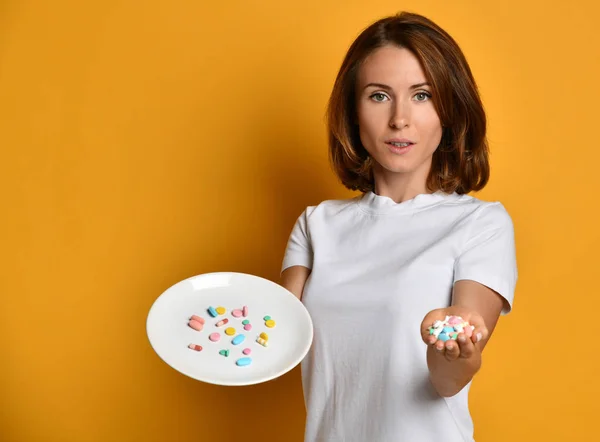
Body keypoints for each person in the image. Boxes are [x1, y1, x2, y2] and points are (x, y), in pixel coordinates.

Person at [279, 11, 518, 442]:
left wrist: (451, 350)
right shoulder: (316, 226)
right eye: (378, 96)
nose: (400, 119)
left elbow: (450, 379)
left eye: (422, 95)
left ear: (450, 109)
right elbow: (272, 337)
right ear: (353, 112)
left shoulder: (480, 223)